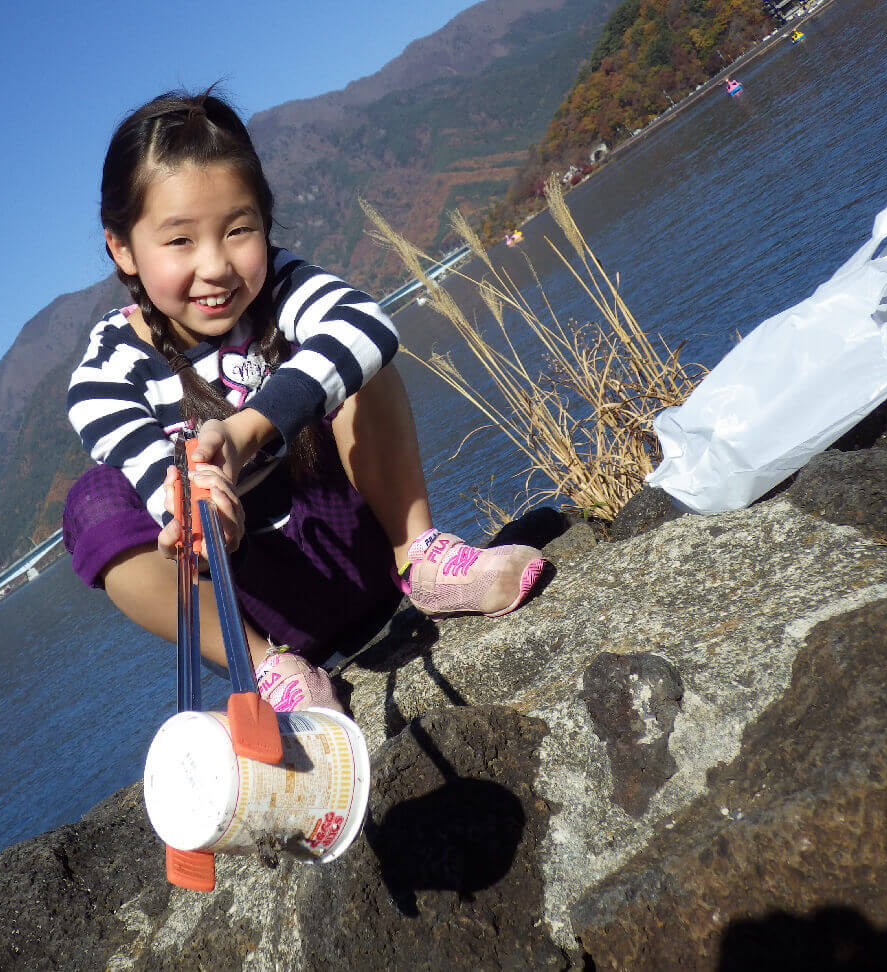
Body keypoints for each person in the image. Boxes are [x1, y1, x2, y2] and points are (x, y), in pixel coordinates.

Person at [63, 90, 546, 714]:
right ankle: (265, 671)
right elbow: (155, 481)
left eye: (238, 230)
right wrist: (203, 516)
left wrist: (246, 431)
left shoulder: (281, 286)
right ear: (122, 249)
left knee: (352, 356)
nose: (216, 266)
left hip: (360, 550)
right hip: (266, 608)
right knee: (92, 504)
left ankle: (421, 559)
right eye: (179, 240)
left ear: (265, 220)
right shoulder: (106, 376)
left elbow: (368, 327)